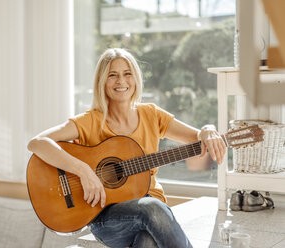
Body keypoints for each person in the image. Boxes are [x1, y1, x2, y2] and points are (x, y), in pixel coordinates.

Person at [27, 48, 226, 248]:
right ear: (102, 82)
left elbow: (198, 137)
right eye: (112, 75)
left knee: (147, 240)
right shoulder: (90, 121)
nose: (121, 81)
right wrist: (84, 171)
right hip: (107, 217)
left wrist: (208, 129)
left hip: (152, 210)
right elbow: (37, 142)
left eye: (127, 74)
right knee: (152, 208)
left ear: (135, 78)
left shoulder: (151, 114)